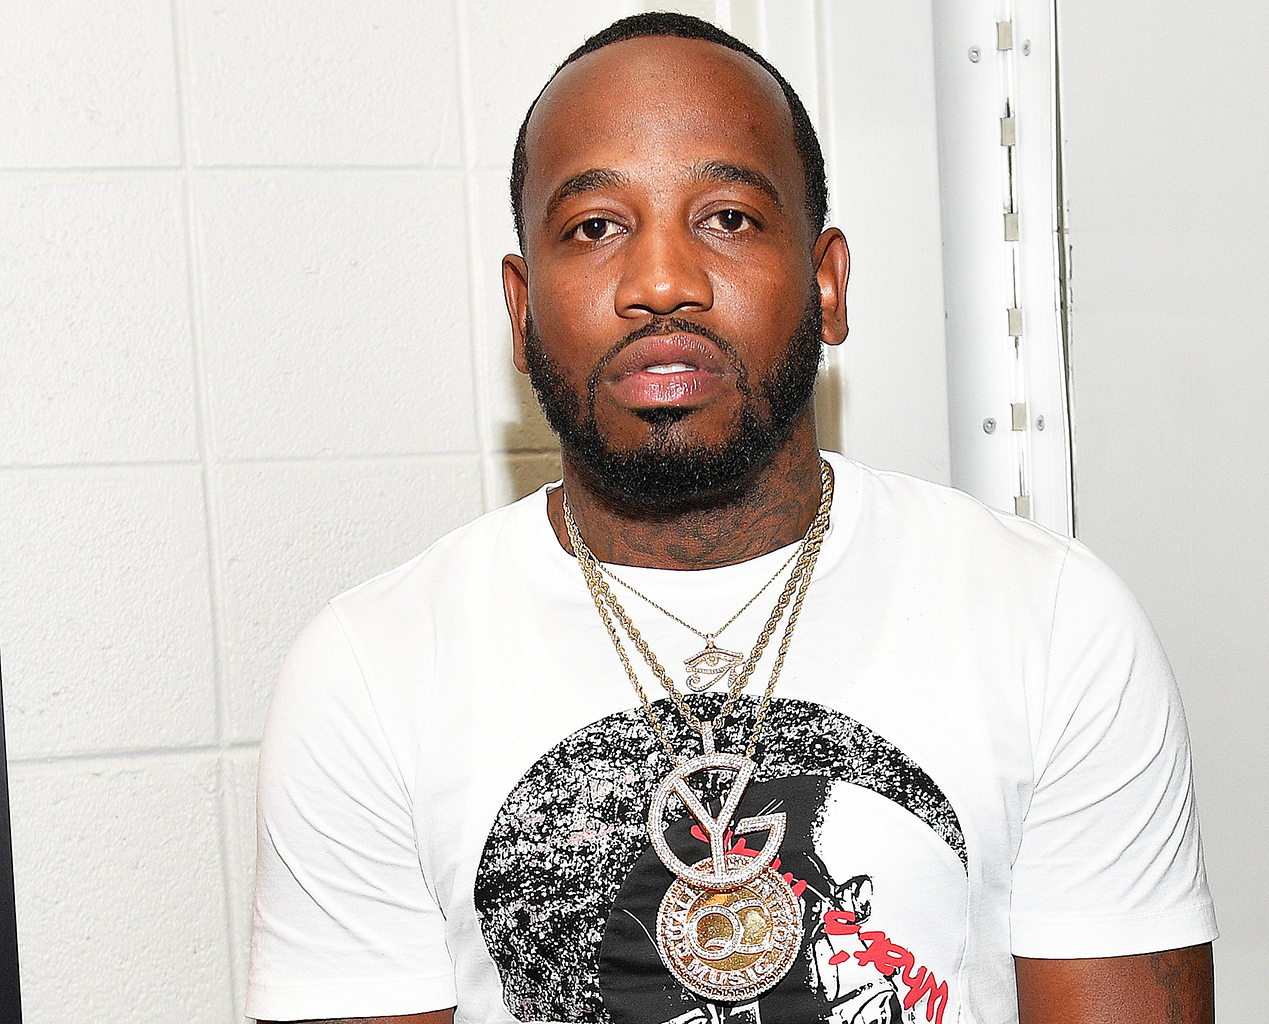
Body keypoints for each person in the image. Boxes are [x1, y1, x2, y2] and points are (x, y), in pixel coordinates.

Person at [246, 13, 1216, 1024]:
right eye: (596, 227)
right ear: (522, 310)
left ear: (827, 284)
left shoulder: (1050, 621)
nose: (662, 282)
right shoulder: (371, 672)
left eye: (729, 218)